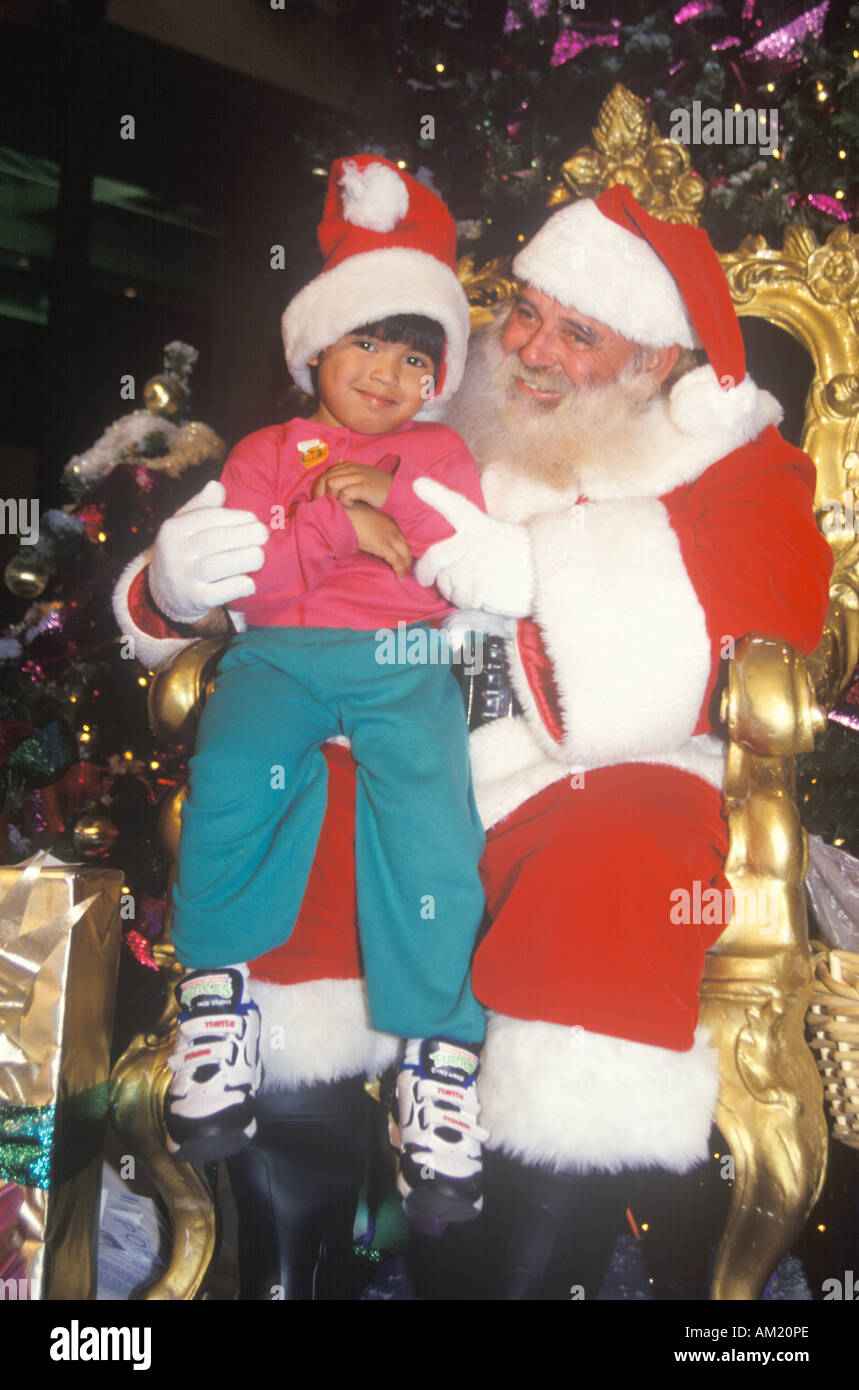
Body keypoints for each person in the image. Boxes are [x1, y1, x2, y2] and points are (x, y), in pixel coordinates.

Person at [115, 182, 833, 1298]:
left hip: (600, 767)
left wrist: (541, 577)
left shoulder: (734, 458)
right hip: (396, 733)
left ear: (654, 360)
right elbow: (274, 532)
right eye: (525, 313)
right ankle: (292, 1271)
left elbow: (766, 616)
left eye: (577, 333)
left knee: (612, 859)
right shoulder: (432, 405)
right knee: (302, 806)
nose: (532, 350)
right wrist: (167, 592)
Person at [147, 155, 491, 1224]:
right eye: (366, 344)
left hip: (399, 661)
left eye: (413, 357)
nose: (387, 373)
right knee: (232, 779)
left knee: (433, 821)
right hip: (281, 656)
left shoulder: (444, 452)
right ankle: (215, 1005)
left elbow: (446, 566)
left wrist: (389, 506)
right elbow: (253, 584)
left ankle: (437, 1060)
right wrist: (342, 519)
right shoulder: (265, 451)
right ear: (316, 350)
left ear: (437, 378)